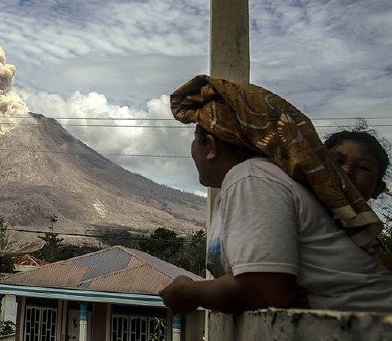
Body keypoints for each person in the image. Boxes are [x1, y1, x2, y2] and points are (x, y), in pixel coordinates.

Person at [158, 75, 392, 314]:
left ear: (210, 145)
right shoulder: (250, 183)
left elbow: (263, 290)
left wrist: (190, 291)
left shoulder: (252, 178)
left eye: (194, 141)